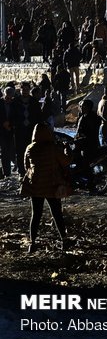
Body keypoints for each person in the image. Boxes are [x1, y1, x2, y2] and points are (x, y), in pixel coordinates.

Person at [20, 123, 72, 253]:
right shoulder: (52, 148)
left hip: (35, 186)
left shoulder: (30, 148)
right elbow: (66, 161)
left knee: (36, 215)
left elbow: (26, 166)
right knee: (56, 213)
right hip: (52, 185)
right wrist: (67, 151)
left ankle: (32, 243)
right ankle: (64, 240)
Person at [10, 81, 42, 176]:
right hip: (19, 130)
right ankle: (21, 171)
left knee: (32, 151)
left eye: (27, 90)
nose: (25, 91)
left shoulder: (34, 101)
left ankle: (31, 170)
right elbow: (12, 115)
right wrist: (14, 125)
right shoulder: (15, 102)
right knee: (20, 151)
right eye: (23, 90)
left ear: (29, 90)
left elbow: (38, 116)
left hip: (31, 130)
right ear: (20, 90)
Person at [0, 87, 15, 178]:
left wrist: (10, 124)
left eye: (10, 98)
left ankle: (7, 172)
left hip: (10, 130)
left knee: (7, 151)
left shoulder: (14, 104)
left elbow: (16, 116)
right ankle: (5, 171)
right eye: (7, 97)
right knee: (4, 151)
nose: (9, 99)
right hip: (1, 130)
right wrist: (3, 123)